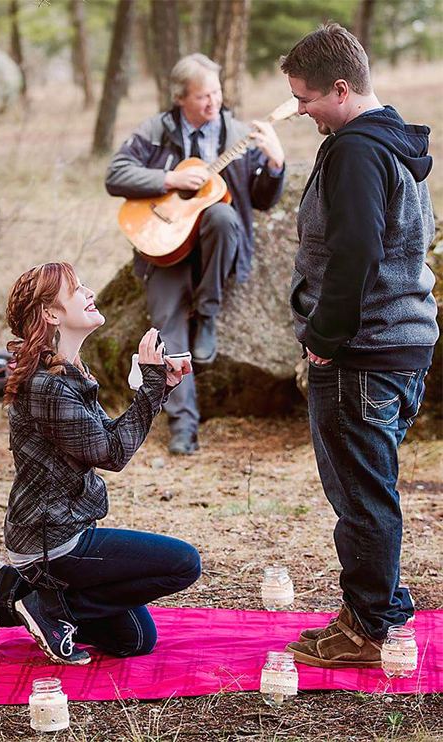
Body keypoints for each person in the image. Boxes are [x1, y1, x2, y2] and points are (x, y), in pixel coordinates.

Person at [280, 23, 438, 668]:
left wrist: (323, 339)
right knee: (370, 489)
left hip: (363, 356)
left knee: (361, 498)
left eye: (307, 98)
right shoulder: (389, 140)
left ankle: (368, 632)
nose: (301, 111)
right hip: (397, 348)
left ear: (341, 90)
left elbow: (358, 252)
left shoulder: (357, 151)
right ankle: (374, 609)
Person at [0, 262, 201, 665]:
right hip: (52, 542)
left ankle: (13, 597)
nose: (89, 292)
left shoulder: (68, 370)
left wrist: (157, 388)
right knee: (184, 564)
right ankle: (47, 609)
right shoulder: (47, 385)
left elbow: (101, 442)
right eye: (76, 289)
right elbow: (112, 455)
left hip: (61, 531)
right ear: (51, 313)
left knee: (135, 642)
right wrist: (149, 390)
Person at [105, 53, 286, 455]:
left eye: (217, 92)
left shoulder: (237, 133)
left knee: (222, 215)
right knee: (168, 333)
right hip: (166, 250)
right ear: (180, 97)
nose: (213, 102)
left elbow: (263, 199)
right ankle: (183, 427)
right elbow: (115, 174)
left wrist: (275, 164)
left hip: (215, 251)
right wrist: (168, 178)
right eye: (203, 96)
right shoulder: (156, 131)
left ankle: (206, 312)